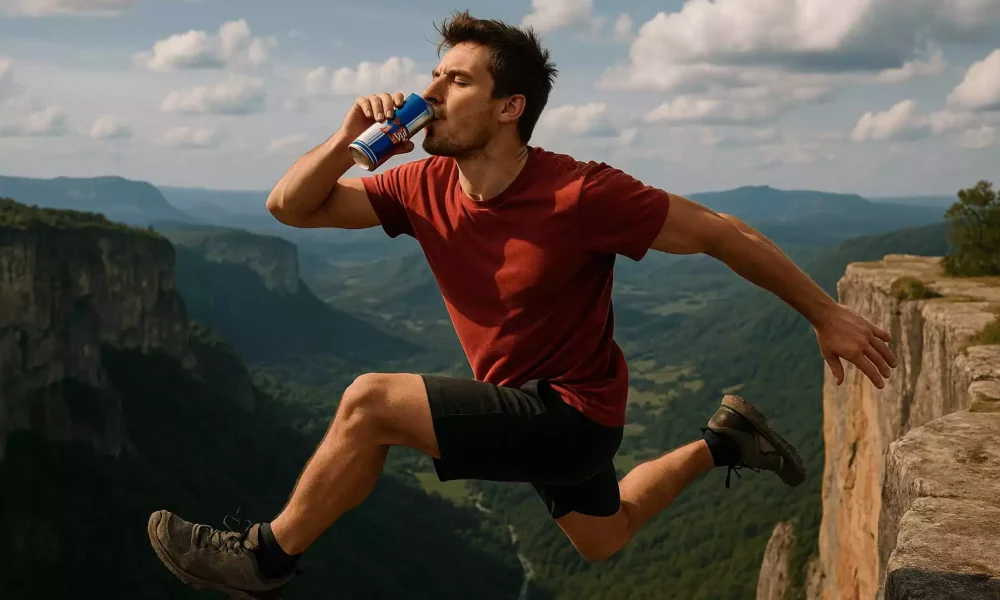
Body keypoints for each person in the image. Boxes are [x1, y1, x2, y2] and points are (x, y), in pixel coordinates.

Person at [147, 10, 897, 599]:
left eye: (455, 82)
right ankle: (724, 440)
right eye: (432, 78)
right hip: (524, 405)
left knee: (368, 404)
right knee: (605, 536)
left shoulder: (579, 192)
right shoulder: (422, 185)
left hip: (573, 416)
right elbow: (291, 207)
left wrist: (822, 312)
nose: (429, 95)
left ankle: (263, 560)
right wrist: (350, 137)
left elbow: (719, 232)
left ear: (510, 107)